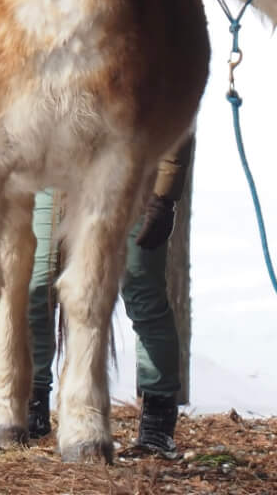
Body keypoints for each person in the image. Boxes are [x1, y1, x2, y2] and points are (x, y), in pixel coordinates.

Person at [28, 135, 193, 458]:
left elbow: (176, 115)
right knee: (37, 286)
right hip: (56, 168)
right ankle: (32, 402)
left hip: (132, 168)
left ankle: (158, 419)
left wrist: (163, 194)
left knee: (141, 289)